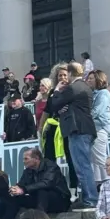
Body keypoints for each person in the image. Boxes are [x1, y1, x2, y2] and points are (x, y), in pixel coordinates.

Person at [46, 61, 97, 209]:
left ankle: (90, 200)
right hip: (83, 129)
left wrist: (56, 90)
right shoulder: (83, 87)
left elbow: (54, 104)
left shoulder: (74, 87)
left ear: (69, 73)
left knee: (82, 166)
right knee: (82, 166)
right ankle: (88, 197)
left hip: (79, 130)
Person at [0, 148, 70, 219]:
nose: (23, 161)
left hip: (59, 201)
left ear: (36, 158)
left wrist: (23, 189)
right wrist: (15, 189)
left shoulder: (51, 166)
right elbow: (21, 185)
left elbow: (47, 183)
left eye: (26, 159)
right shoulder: (28, 171)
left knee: (42, 191)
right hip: (39, 201)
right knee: (15, 198)